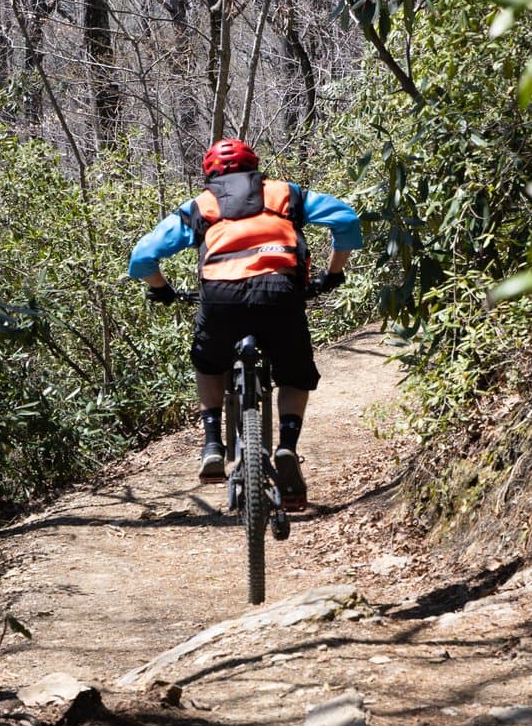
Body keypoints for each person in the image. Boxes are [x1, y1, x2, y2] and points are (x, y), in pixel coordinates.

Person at [128, 138, 363, 510]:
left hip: (221, 297)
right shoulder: (285, 194)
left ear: (209, 174)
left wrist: (162, 290)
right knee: (294, 375)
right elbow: (346, 219)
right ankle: (287, 446)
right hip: (279, 292)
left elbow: (142, 256)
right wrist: (333, 273)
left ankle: (212, 444)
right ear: (255, 166)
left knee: (208, 362)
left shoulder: (202, 205)